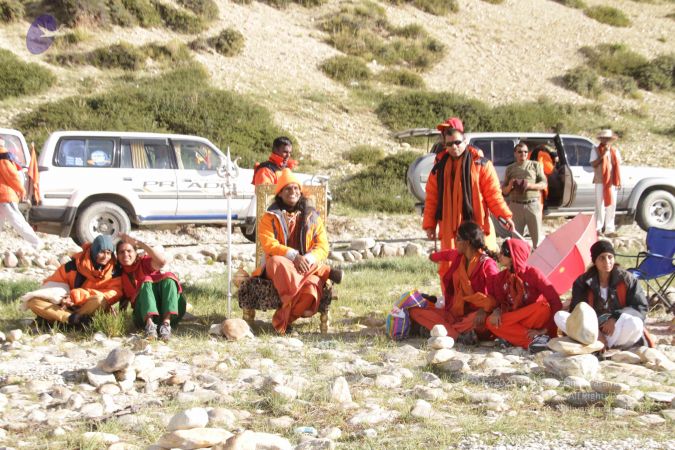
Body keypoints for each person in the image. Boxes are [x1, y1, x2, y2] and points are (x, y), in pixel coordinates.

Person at [422, 117, 514, 286]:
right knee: (450, 266)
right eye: (449, 144)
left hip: (477, 225)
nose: (453, 147)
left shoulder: (482, 164)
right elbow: (432, 199)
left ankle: (485, 301)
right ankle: (454, 303)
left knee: (482, 263)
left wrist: (504, 215)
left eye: (457, 142)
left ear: (465, 140)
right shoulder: (438, 167)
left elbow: (493, 195)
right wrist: (429, 225)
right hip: (450, 228)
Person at [253, 168, 342, 334]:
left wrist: (307, 259)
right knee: (277, 261)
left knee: (312, 288)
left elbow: (323, 246)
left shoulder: (312, 217)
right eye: (287, 188)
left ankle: (282, 321)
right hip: (279, 268)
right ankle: (324, 271)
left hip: (305, 266)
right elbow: (269, 245)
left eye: (295, 188)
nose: (292, 192)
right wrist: (294, 256)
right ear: (280, 193)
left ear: (300, 191)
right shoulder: (269, 217)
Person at [409, 221, 499, 343]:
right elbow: (446, 254)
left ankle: (447, 333)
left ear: (467, 242)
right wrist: (432, 257)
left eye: (457, 239)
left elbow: (497, 295)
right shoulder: (459, 257)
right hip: (454, 313)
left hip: (476, 315)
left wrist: (484, 310)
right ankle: (457, 335)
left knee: (485, 320)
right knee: (414, 311)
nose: (455, 241)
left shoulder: (487, 264)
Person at [556, 240, 648, 349]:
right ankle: (598, 343)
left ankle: (601, 347)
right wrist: (597, 333)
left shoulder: (627, 279)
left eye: (610, 257)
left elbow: (640, 307)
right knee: (560, 316)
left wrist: (615, 318)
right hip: (591, 330)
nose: (607, 261)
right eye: (602, 258)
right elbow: (576, 311)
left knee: (635, 323)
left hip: (617, 328)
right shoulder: (582, 282)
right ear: (595, 261)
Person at [484, 238, 562, 353]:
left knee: (543, 308)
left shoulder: (533, 274)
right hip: (515, 317)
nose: (499, 255)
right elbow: (500, 303)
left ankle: (515, 337)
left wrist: (544, 330)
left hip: (533, 318)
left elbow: (555, 301)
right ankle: (535, 341)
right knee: (490, 321)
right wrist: (496, 311)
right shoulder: (500, 278)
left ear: (514, 256)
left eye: (503, 252)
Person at [26, 235, 123, 327]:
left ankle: (60, 319)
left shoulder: (114, 272)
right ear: (94, 250)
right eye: (102, 252)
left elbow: (113, 293)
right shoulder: (72, 266)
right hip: (66, 306)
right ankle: (71, 319)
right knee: (33, 301)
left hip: (89, 307)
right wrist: (62, 299)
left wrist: (76, 296)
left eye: (109, 253)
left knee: (99, 299)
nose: (105, 257)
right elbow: (53, 285)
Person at [116, 234, 186, 341]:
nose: (125, 254)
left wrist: (140, 244)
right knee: (145, 281)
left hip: (169, 313)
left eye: (129, 251)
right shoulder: (119, 275)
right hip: (142, 317)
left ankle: (166, 325)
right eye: (121, 252)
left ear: (136, 253)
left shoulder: (144, 262)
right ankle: (150, 326)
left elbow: (161, 262)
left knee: (168, 278)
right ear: (117, 256)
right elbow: (122, 301)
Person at [502, 143, 547, 248]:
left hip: (532, 205)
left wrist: (529, 185)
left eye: (525, 151)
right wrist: (511, 185)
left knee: (538, 240)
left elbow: (544, 184)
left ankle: (538, 263)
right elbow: (504, 191)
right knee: (516, 240)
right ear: (515, 154)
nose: (523, 154)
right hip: (516, 205)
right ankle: (518, 262)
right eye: (520, 152)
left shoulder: (535, 165)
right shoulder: (510, 169)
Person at [0, 136, 41, 250]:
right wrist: (20, 189)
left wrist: (21, 189)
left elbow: (11, 176)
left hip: (5, 196)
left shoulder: (2, 157)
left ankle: (36, 242)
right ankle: (35, 242)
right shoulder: (4, 156)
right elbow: (12, 176)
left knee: (17, 221)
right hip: (4, 196)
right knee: (15, 221)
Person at [590, 129, 621, 237]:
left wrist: (618, 180)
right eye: (605, 138)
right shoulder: (595, 150)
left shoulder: (615, 151)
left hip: (611, 181)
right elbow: (593, 163)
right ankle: (598, 227)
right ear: (601, 139)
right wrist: (603, 155)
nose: (606, 140)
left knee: (611, 204)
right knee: (600, 205)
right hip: (600, 180)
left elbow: (617, 166)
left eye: (608, 139)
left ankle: (609, 228)